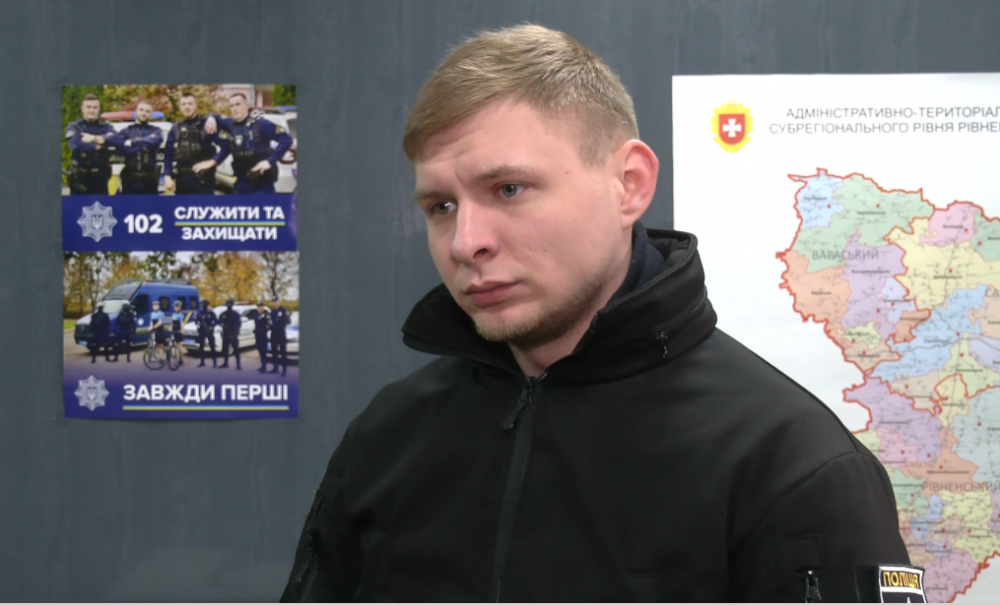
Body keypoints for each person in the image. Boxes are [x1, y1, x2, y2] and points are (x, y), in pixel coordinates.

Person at [281, 25, 920, 603]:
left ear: (629, 185)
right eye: (441, 206)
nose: (465, 242)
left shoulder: (793, 466)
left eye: (509, 189)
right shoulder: (386, 438)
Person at [216, 93, 292, 194]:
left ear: (247, 105)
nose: (234, 109)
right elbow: (214, 118)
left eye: (238, 104)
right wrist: (211, 118)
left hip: (262, 183)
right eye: (232, 106)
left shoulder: (260, 124)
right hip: (241, 183)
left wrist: (269, 161)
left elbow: (286, 140)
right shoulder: (231, 125)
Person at [163, 92, 229, 195]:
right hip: (182, 182)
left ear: (195, 105)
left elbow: (226, 146)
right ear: (180, 107)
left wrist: (212, 162)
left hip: (203, 182)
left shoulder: (206, 125)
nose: (187, 107)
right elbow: (168, 154)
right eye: (184, 104)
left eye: (190, 104)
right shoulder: (175, 129)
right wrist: (167, 176)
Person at [105, 100, 163, 194]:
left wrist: (132, 142)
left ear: (151, 115)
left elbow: (155, 141)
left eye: (147, 111)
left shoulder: (156, 131)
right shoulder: (126, 131)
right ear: (136, 112)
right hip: (129, 178)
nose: (144, 113)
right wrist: (144, 144)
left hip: (150, 179)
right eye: (141, 110)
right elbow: (120, 148)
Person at [65, 94, 115, 195]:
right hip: (80, 180)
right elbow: (76, 146)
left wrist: (93, 138)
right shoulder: (75, 127)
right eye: (88, 107)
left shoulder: (106, 127)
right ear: (82, 108)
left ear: (99, 109)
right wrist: (99, 144)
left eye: (95, 107)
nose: (91, 110)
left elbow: (116, 141)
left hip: (101, 181)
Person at [268, 296, 290, 376]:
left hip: (281, 334)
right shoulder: (272, 311)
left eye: (276, 301)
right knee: (274, 352)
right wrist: (270, 326)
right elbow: (270, 322)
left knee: (283, 352)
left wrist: (275, 326)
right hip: (273, 334)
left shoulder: (283, 310)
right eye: (273, 301)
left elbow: (287, 322)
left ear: (279, 302)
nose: (274, 303)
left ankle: (284, 371)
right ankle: (275, 368)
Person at [218, 298, 241, 370]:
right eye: (227, 303)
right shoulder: (223, 314)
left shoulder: (236, 314)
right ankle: (225, 363)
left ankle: (238, 365)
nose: (228, 305)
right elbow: (219, 321)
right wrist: (222, 325)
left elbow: (238, 324)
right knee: (225, 349)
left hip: (233, 335)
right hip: (226, 334)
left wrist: (235, 332)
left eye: (230, 303)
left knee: (236, 350)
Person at [195, 299, 218, 368]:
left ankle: (215, 363)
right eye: (202, 304)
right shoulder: (200, 313)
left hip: (209, 331)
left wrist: (212, 326)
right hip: (202, 331)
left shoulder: (211, 313)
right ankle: (202, 362)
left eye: (205, 304)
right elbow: (196, 320)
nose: (203, 305)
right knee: (201, 347)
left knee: (212, 346)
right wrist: (197, 323)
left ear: (207, 304)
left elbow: (216, 321)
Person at [252, 300, 271, 373]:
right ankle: (262, 365)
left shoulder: (266, 315)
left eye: (261, 306)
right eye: (258, 307)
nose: (259, 308)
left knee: (263, 351)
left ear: (263, 307)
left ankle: (264, 367)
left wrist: (266, 327)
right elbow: (256, 321)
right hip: (257, 335)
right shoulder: (256, 314)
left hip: (263, 335)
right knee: (260, 350)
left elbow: (268, 325)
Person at [169, 300, 186, 365]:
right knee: (174, 344)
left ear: (180, 308)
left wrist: (182, 329)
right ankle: (175, 355)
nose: (176, 308)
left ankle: (181, 359)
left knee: (179, 345)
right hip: (174, 331)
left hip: (178, 330)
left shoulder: (180, 315)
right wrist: (170, 328)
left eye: (177, 307)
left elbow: (182, 323)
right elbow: (173, 323)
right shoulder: (173, 314)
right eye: (175, 307)